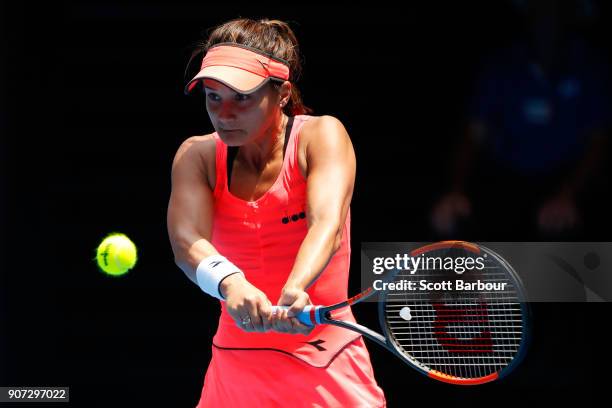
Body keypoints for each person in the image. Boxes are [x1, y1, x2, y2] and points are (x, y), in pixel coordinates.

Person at [167, 18, 386, 407]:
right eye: (213, 97)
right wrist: (230, 283)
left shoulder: (321, 136)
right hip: (235, 375)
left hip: (327, 365)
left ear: (282, 93)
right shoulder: (196, 155)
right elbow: (187, 243)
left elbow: (327, 226)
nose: (225, 113)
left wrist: (295, 288)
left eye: (242, 97)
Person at [430, 0, 609, 240]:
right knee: (454, 223)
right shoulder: (500, 62)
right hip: (505, 180)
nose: (549, 16)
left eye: (558, 7)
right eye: (541, 7)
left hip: (567, 180)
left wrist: (570, 193)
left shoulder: (591, 65)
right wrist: (455, 189)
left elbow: (599, 140)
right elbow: (473, 133)